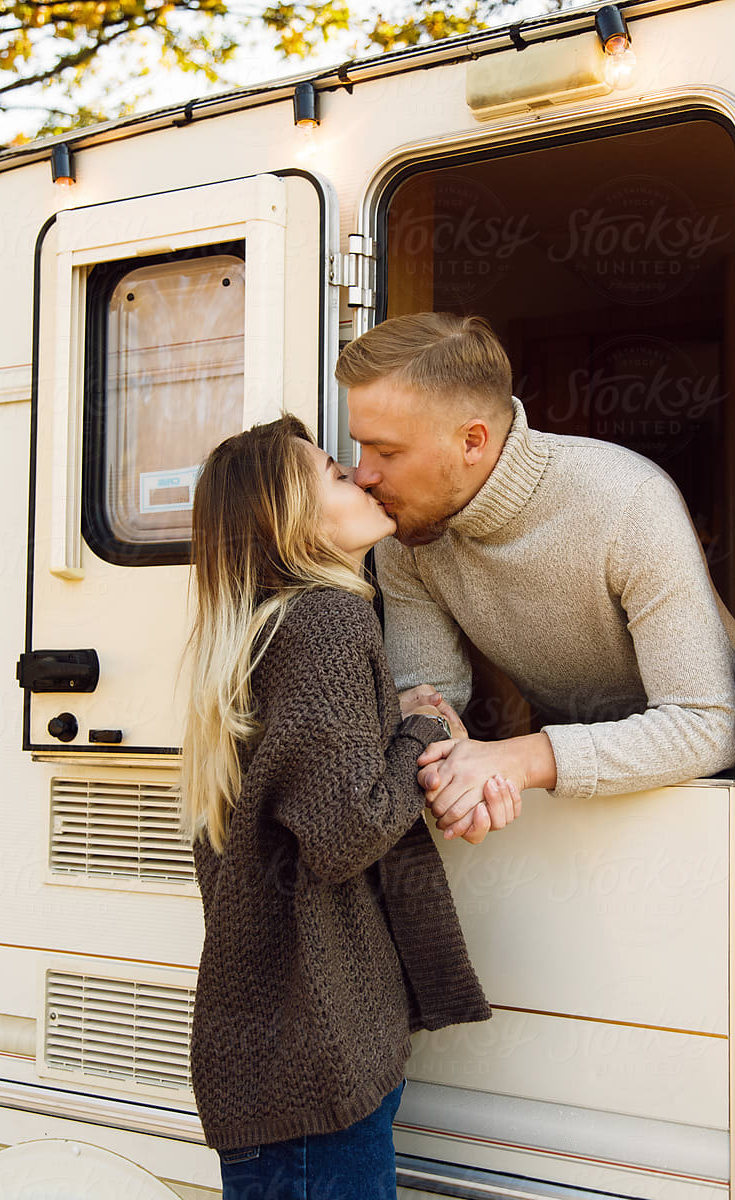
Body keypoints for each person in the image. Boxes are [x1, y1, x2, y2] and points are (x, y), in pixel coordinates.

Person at [179, 414, 491, 1200]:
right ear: (291, 517)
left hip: (287, 1062)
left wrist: (392, 714)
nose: (361, 475)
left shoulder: (271, 625)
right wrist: (419, 724)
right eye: (333, 471)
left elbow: (321, 793)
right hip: (315, 1071)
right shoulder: (326, 619)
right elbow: (348, 833)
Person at [335, 312, 735, 844]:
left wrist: (517, 759)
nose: (363, 473)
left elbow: (707, 726)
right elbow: (431, 697)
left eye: (386, 451)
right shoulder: (408, 528)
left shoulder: (628, 501)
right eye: (360, 446)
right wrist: (448, 775)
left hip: (725, 794)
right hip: (576, 789)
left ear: (472, 441)